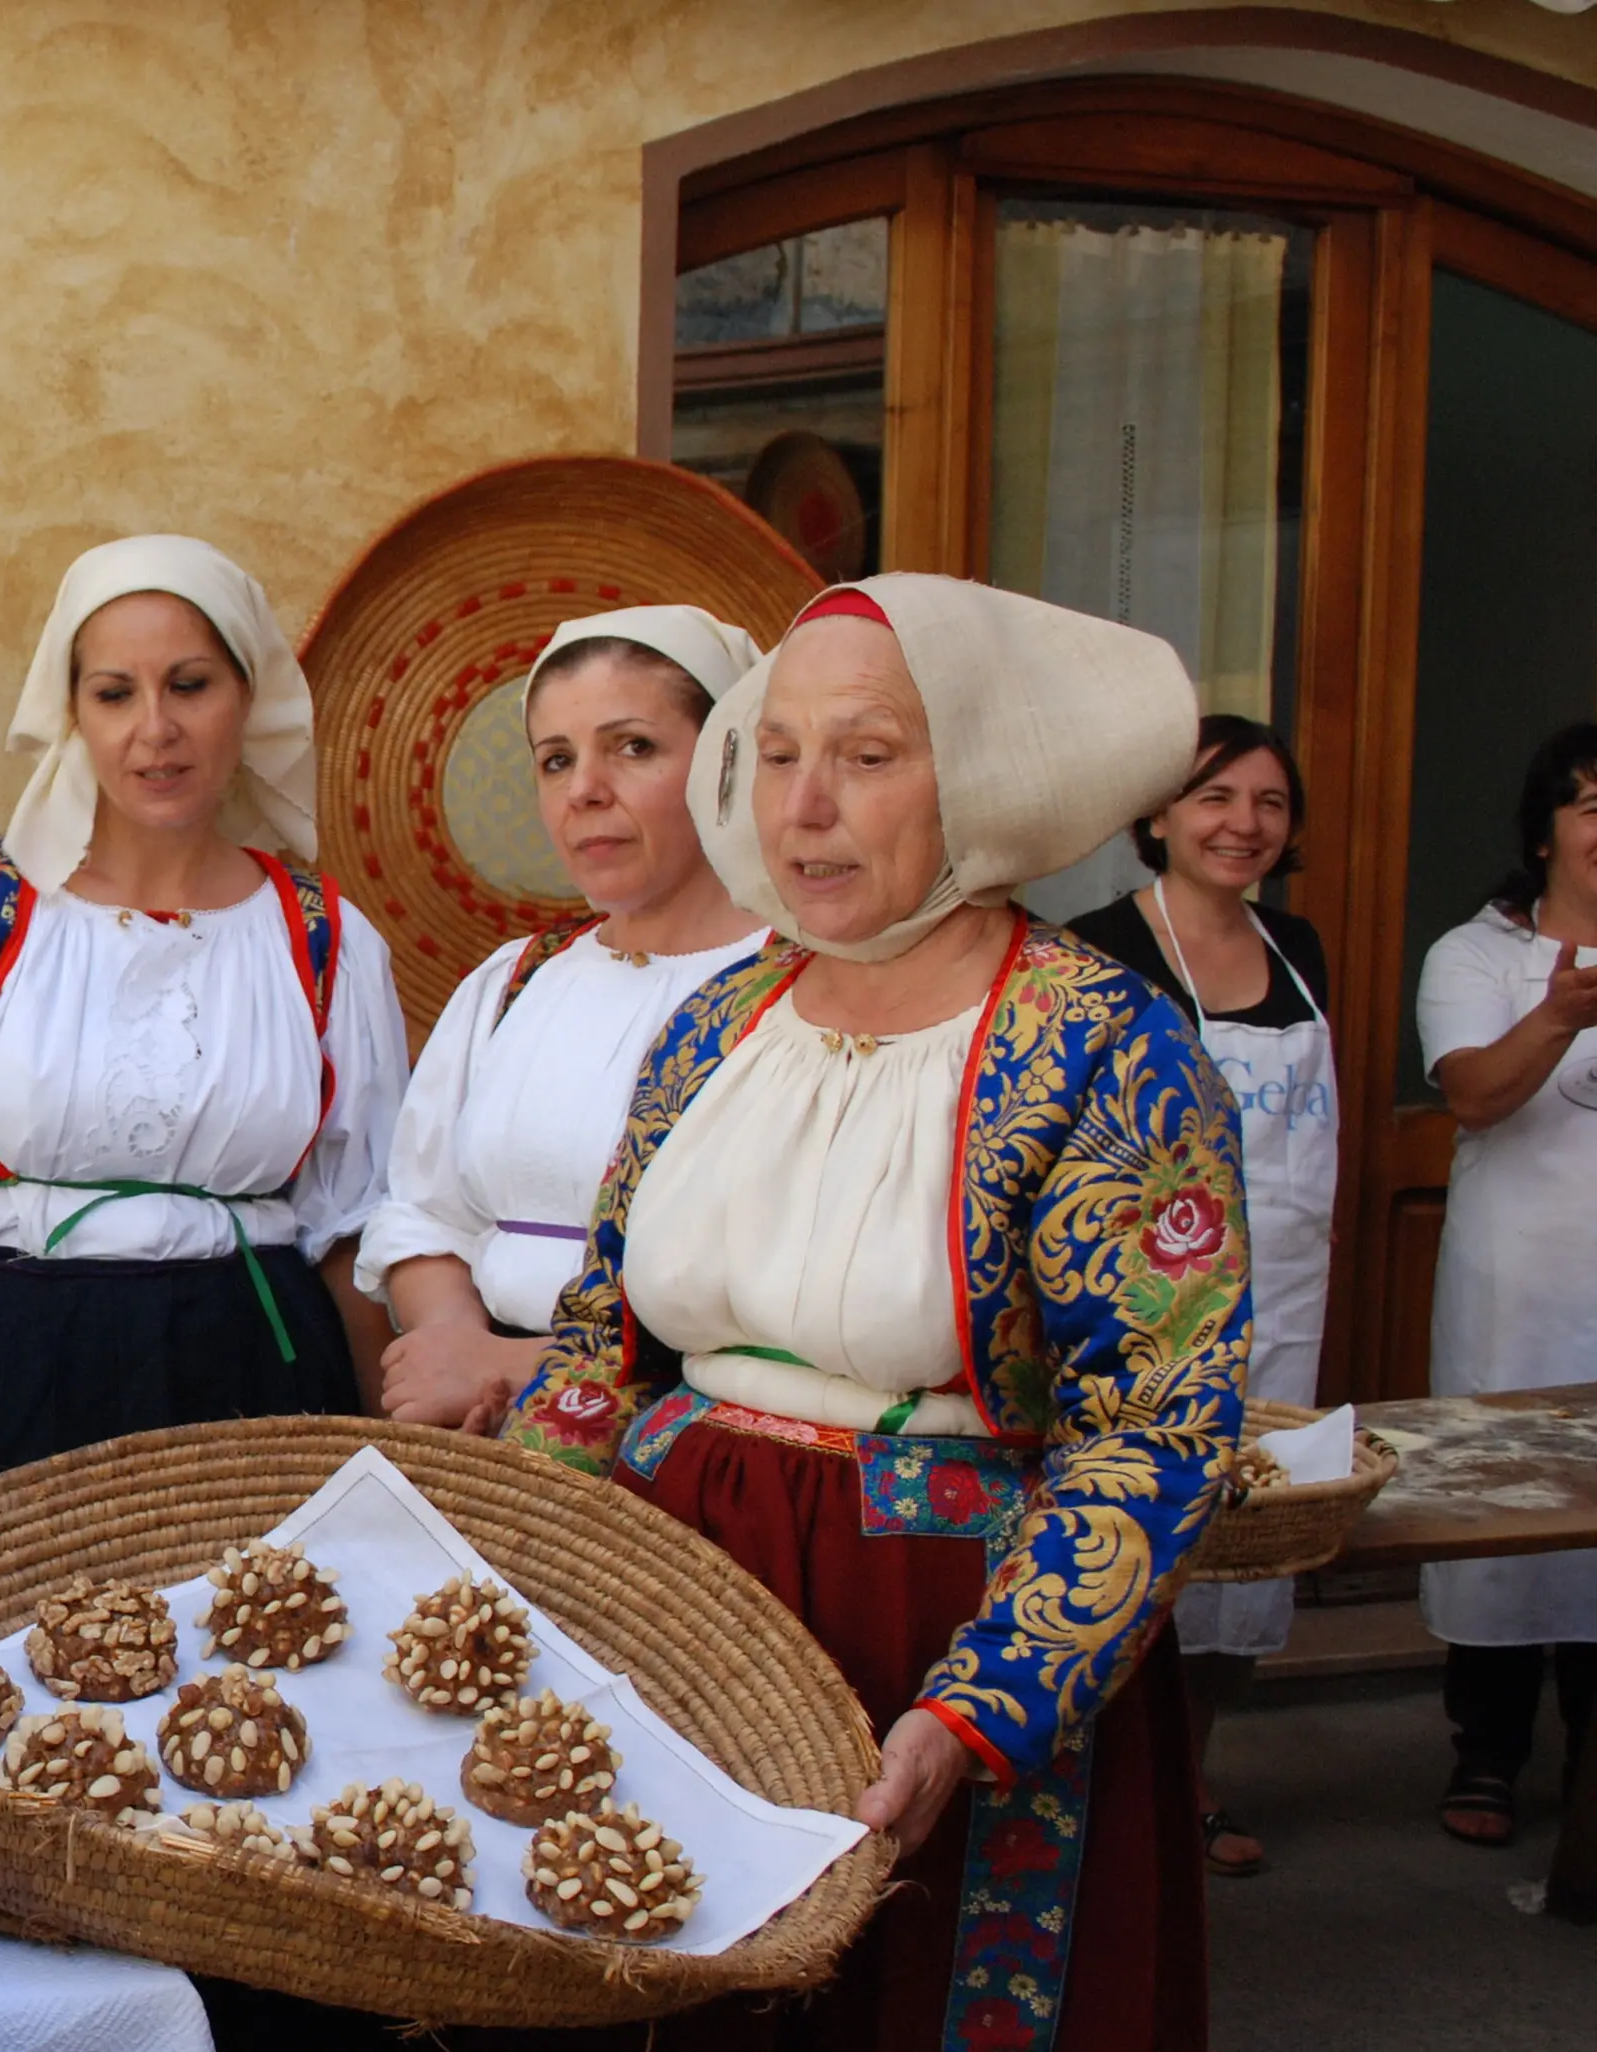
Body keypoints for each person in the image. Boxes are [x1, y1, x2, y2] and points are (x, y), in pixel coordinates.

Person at [506, 574, 1244, 2052]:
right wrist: (520, 1549)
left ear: (965, 774)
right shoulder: (721, 1024)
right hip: (686, 1605)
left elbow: (1157, 1425)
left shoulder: (1100, 1045)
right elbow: (603, 1341)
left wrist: (985, 1704)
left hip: (941, 1628)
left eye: (867, 754)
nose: (807, 807)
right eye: (777, 755)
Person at [0, 535, 406, 1488]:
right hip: (12, 1362)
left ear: (250, 697)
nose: (156, 729)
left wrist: (397, 1455)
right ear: (73, 711)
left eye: (190, 685)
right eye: (115, 693)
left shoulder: (324, 941)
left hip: (256, 1372)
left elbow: (356, 1229)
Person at [356, 606, 769, 1433]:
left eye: (633, 747)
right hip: (485, 1417)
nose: (585, 789)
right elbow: (424, 1211)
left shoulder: (796, 992)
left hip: (691, 1431)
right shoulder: (516, 981)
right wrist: (454, 1348)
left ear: (729, 761)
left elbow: (781, 1291)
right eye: (556, 759)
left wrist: (516, 1369)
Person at [1064, 714, 1333, 1879]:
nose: (1244, 825)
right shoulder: (1099, 946)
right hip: (1146, 1295)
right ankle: (1123, 1785)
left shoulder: (1303, 946)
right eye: (1217, 798)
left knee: (1258, 1529)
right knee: (1141, 1524)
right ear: (1159, 814)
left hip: (1291, 1278)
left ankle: (1201, 1771)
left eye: (1269, 803)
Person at [1415, 719, 1597, 1850]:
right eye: (1594, 805)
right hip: (1515, 1277)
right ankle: (1486, 1749)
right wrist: (1558, 1017)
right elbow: (1474, 1096)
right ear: (1546, 834)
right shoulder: (1473, 955)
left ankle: (1591, 1761)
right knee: (1498, 1502)